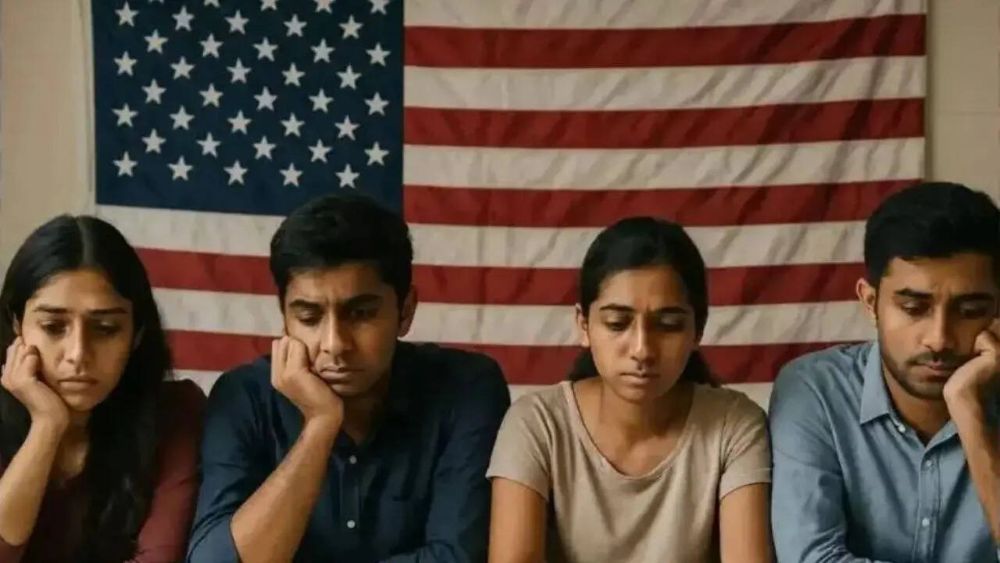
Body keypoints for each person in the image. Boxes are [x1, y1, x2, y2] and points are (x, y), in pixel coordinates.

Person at [187, 192, 511, 563]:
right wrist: (320, 426)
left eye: (360, 314)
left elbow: (458, 558)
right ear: (284, 318)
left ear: (405, 311)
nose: (335, 344)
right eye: (309, 318)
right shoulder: (243, 396)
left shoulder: (467, 388)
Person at [486, 217, 773, 563]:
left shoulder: (735, 425)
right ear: (583, 325)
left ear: (698, 330)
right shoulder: (537, 424)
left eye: (668, 325)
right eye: (617, 324)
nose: (642, 349)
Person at [770, 181, 1000, 562]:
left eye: (970, 311)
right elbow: (812, 559)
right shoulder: (816, 391)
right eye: (913, 308)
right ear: (870, 302)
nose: (939, 339)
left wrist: (969, 414)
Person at [0, 215, 205, 563]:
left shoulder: (175, 413)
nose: (78, 353)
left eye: (106, 328)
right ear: (17, 325)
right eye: (53, 326)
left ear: (137, 334)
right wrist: (47, 427)